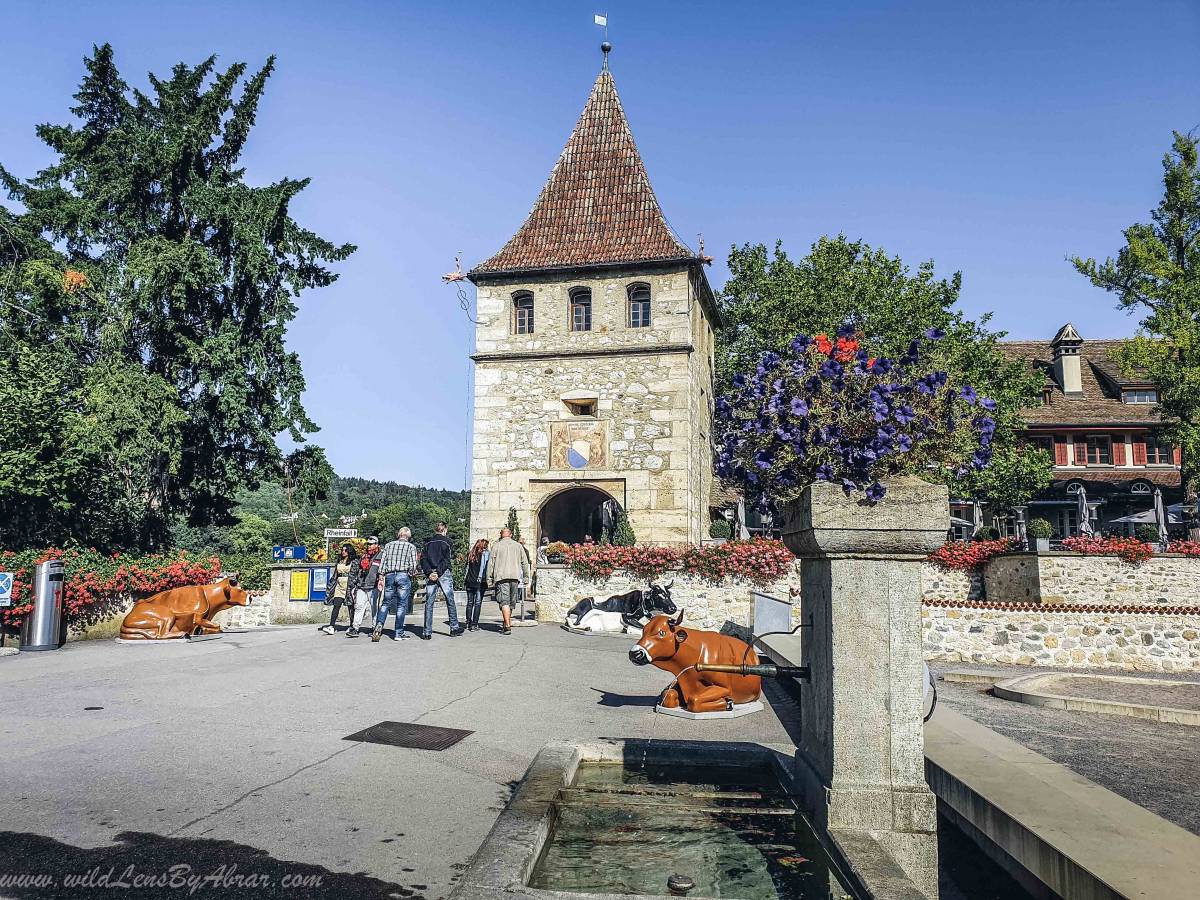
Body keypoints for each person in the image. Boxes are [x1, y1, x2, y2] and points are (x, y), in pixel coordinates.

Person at [372, 527, 419, 642]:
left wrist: (381, 575)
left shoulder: (388, 545)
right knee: (401, 605)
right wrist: (412, 574)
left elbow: (383, 562)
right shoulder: (411, 547)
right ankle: (398, 633)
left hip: (389, 575)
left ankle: (378, 626)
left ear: (399, 535)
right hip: (403, 575)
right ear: (408, 536)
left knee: (385, 603)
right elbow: (413, 566)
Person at [419, 521, 463, 639]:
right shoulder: (447, 542)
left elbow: (423, 559)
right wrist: (438, 572)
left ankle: (427, 631)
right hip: (443, 573)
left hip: (430, 573)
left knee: (429, 602)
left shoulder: (427, 543)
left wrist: (429, 573)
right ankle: (454, 627)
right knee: (450, 600)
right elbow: (446, 560)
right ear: (445, 530)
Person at [490, 526, 529, 635]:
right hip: (515, 577)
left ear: (501, 535)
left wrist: (489, 579)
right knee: (511, 602)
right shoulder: (518, 546)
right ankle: (506, 622)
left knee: (504, 601)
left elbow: (491, 564)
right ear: (511, 535)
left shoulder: (496, 546)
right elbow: (524, 562)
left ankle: (507, 626)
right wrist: (526, 577)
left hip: (502, 577)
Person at [345, 539, 381, 638]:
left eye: (371, 544)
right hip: (362, 585)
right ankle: (355, 628)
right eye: (367, 544)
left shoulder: (381, 556)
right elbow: (359, 570)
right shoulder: (364, 556)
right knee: (359, 607)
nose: (368, 546)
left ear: (376, 545)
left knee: (375, 608)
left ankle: (375, 628)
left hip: (374, 586)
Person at [319, 544, 357, 634]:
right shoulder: (339, 560)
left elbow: (355, 574)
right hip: (339, 585)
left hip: (349, 585)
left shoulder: (354, 561)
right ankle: (331, 626)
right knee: (336, 605)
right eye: (342, 550)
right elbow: (336, 573)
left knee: (350, 606)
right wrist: (331, 584)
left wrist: (354, 585)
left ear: (349, 551)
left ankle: (352, 626)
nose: (343, 552)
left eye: (345, 550)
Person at [463, 539, 490, 632]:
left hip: (469, 580)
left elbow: (466, 568)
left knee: (470, 603)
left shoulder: (471, 554)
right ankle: (474, 624)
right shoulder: (485, 554)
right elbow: (484, 568)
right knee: (478, 604)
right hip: (479, 582)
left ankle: (468, 622)